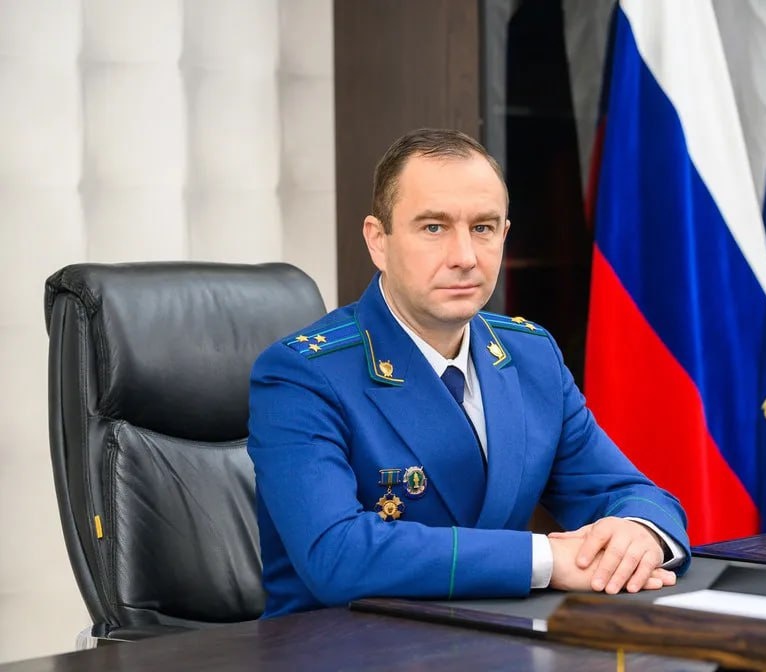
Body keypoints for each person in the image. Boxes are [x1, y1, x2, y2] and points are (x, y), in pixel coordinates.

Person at [247, 128, 690, 618]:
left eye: (483, 228)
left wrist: (639, 534)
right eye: (433, 228)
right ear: (378, 241)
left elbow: (625, 491)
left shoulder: (530, 355)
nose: (465, 257)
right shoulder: (303, 374)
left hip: (500, 637)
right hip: (344, 644)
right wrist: (546, 559)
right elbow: (338, 555)